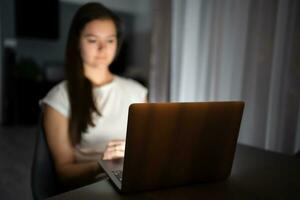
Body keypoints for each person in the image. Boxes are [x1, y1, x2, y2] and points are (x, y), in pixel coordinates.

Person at [41, 2, 147, 189]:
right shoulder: (59, 98)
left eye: (110, 40)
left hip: (137, 180)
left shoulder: (137, 91)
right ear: (77, 42)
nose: (102, 48)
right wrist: (102, 164)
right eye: (92, 40)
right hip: (96, 186)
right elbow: (63, 173)